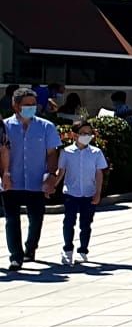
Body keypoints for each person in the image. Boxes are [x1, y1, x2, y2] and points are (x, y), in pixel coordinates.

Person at [2, 88, 61, 270]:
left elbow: (52, 154)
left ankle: (30, 248)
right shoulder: (5, 127)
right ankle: (16, 256)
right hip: (12, 181)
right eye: (26, 105)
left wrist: (51, 176)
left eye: (33, 105)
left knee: (36, 218)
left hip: (37, 181)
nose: (31, 108)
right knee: (12, 219)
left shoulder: (46, 127)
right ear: (15, 105)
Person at [53, 119, 108, 265]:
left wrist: (98, 192)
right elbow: (61, 171)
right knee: (69, 222)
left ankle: (83, 250)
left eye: (89, 133)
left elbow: (99, 173)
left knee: (86, 223)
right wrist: (52, 186)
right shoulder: (66, 152)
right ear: (74, 135)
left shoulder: (96, 153)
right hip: (71, 192)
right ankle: (67, 249)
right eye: (83, 133)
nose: (86, 136)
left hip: (88, 193)